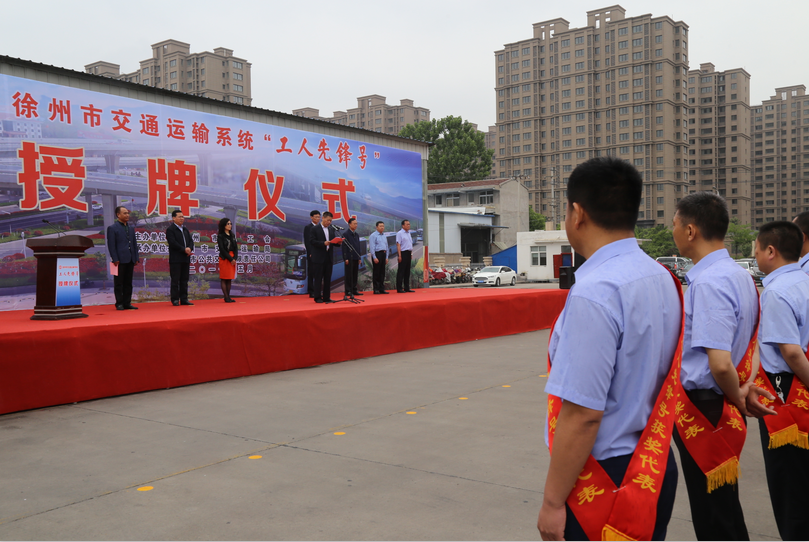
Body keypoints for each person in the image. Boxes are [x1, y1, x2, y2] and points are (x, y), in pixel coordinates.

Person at [537, 157, 681, 541]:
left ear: (577, 213)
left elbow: (584, 413)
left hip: (605, 479)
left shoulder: (596, 291)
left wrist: (552, 502)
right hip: (653, 464)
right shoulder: (662, 277)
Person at [671, 192, 770, 541]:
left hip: (707, 409)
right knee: (724, 508)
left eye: (674, 224)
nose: (673, 231)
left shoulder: (709, 281)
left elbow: (720, 363)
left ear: (691, 230)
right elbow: (751, 345)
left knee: (714, 516)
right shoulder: (740, 276)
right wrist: (742, 388)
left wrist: (737, 394)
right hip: (723, 403)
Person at [751, 221, 809, 540]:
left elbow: (791, 352)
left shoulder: (776, 292)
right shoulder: (804, 280)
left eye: (756, 248)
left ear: (770, 251)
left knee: (790, 488)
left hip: (789, 392)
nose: (755, 255)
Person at [106, 205, 139, 310]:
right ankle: (119, 303)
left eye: (128, 213)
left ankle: (127, 303)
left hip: (130, 259)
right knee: (119, 283)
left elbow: (134, 244)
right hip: (119, 260)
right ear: (118, 215)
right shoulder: (112, 228)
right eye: (124, 213)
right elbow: (111, 245)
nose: (127, 215)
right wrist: (115, 258)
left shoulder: (130, 228)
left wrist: (136, 257)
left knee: (128, 283)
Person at [308, 211, 340, 304]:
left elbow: (333, 242)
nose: (329, 222)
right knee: (318, 278)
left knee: (327, 278)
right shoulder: (314, 229)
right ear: (323, 218)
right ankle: (317, 297)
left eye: (330, 221)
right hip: (318, 257)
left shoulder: (331, 229)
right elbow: (312, 241)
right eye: (328, 220)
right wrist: (323, 243)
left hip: (328, 257)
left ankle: (327, 297)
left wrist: (338, 242)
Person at [166, 210, 194, 306]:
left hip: (185, 258)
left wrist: (190, 248)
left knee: (184, 280)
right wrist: (183, 249)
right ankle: (175, 299)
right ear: (173, 218)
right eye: (179, 217)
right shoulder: (170, 229)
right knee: (175, 280)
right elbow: (172, 243)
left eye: (182, 216)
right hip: (176, 259)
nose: (182, 218)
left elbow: (191, 241)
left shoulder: (185, 229)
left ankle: (184, 299)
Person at [217, 217, 238, 303]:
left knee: (229, 278)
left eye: (230, 224)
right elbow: (222, 249)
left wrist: (235, 258)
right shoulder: (220, 236)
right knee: (224, 278)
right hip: (225, 258)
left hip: (232, 258)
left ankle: (228, 297)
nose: (230, 225)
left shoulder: (232, 235)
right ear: (224, 225)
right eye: (228, 224)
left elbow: (236, 248)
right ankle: (226, 297)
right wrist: (230, 259)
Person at [341, 217, 363, 297]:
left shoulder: (356, 235)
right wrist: (345, 258)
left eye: (356, 224)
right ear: (349, 224)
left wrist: (359, 257)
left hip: (355, 257)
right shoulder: (345, 234)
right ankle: (348, 291)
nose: (356, 225)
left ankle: (354, 289)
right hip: (349, 258)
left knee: (355, 274)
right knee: (349, 275)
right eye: (354, 224)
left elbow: (358, 247)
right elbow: (344, 247)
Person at [303, 210, 321, 297]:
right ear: (311, 217)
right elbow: (307, 241)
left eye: (319, 217)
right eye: (316, 217)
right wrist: (310, 252)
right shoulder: (308, 227)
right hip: (312, 254)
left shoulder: (320, 227)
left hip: (320, 253)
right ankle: (311, 291)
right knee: (311, 272)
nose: (318, 219)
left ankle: (318, 291)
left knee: (319, 273)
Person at [369, 221, 389, 294]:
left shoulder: (384, 235)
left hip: (383, 254)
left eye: (383, 226)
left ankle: (381, 288)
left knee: (382, 272)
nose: (382, 227)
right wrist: (374, 257)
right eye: (380, 226)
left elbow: (386, 246)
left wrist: (386, 257)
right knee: (376, 272)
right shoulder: (373, 235)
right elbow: (372, 247)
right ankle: (376, 289)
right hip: (377, 254)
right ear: (377, 227)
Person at [396, 219, 414, 293]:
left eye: (409, 224)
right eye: (407, 224)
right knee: (401, 271)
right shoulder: (400, 233)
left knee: (407, 271)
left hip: (408, 253)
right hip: (403, 253)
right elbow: (398, 244)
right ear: (403, 225)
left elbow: (410, 244)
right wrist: (399, 255)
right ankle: (399, 288)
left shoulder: (409, 233)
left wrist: (411, 254)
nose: (409, 225)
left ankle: (407, 287)